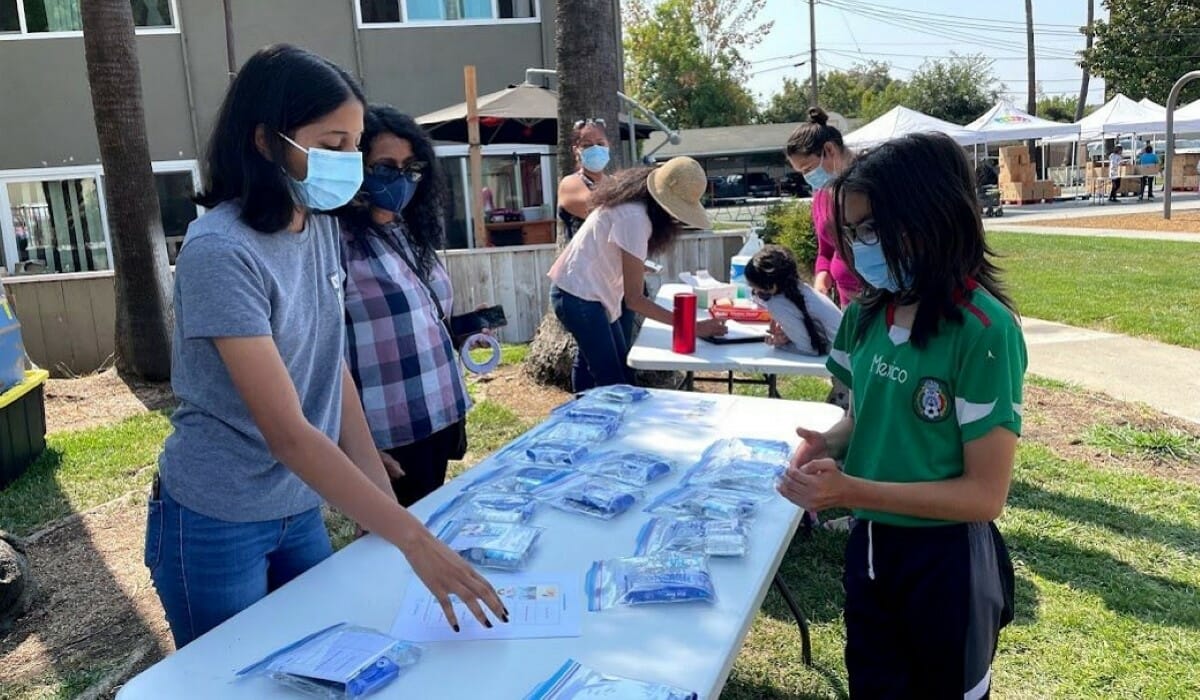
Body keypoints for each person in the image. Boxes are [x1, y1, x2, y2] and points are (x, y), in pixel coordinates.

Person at [147, 45, 504, 649]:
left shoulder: (316, 225)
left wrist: (380, 503)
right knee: (230, 677)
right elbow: (287, 431)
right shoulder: (220, 252)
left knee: (317, 656)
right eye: (333, 145)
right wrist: (411, 537)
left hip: (297, 503)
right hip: (218, 515)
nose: (351, 164)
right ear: (266, 141)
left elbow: (328, 364)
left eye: (355, 146)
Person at [776, 132, 1024, 698]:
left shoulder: (983, 333)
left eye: (872, 230)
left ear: (932, 218)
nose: (859, 248)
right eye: (853, 233)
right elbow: (866, 417)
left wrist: (851, 491)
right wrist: (831, 441)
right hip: (871, 547)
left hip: (945, 562)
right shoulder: (867, 314)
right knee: (875, 682)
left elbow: (983, 496)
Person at [337, 106, 477, 507]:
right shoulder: (334, 243)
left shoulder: (408, 231)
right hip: (387, 434)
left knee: (431, 526)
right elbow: (324, 354)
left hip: (437, 413)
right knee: (394, 553)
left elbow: (422, 313)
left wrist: (466, 327)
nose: (401, 178)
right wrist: (355, 447)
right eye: (385, 166)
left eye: (411, 167)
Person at [548, 157, 727, 391]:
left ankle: (583, 415)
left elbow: (608, 251)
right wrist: (692, 327)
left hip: (585, 290)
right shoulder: (635, 217)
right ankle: (592, 419)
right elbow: (635, 300)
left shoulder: (633, 204)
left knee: (600, 367)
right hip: (578, 295)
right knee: (614, 380)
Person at [785, 107, 861, 309]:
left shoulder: (867, 189)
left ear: (829, 150)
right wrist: (821, 279)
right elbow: (826, 250)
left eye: (808, 168)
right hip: (847, 302)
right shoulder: (821, 194)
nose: (807, 177)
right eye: (801, 172)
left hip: (880, 302)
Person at [743, 244, 841, 357]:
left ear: (772, 286)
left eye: (756, 289)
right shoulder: (802, 289)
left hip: (839, 359)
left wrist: (779, 344)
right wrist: (789, 336)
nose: (755, 294)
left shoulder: (777, 304)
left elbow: (809, 349)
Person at [557, 118, 609, 241]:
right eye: (587, 145)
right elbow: (598, 212)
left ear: (608, 146)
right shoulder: (570, 183)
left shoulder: (615, 182)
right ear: (576, 150)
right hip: (583, 258)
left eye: (600, 144)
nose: (595, 149)